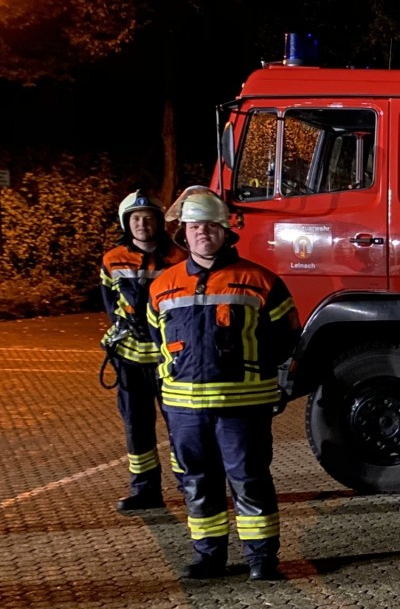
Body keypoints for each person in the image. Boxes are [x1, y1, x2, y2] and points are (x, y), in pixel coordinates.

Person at [147, 187, 299, 581]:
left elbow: (286, 336)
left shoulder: (260, 280)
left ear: (226, 231)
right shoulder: (162, 286)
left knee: (249, 480)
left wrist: (257, 372)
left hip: (242, 406)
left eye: (211, 226)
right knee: (197, 483)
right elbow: (155, 340)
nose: (203, 232)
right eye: (195, 226)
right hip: (184, 409)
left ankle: (261, 559)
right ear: (183, 232)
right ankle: (209, 556)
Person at [99, 189, 186, 514]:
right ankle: (145, 489)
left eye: (148, 218)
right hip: (130, 359)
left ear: (159, 222)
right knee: (137, 427)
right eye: (135, 219)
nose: (142, 224)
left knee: (181, 427)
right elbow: (110, 303)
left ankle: (190, 486)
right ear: (126, 223)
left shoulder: (179, 258)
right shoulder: (112, 259)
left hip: (170, 358)